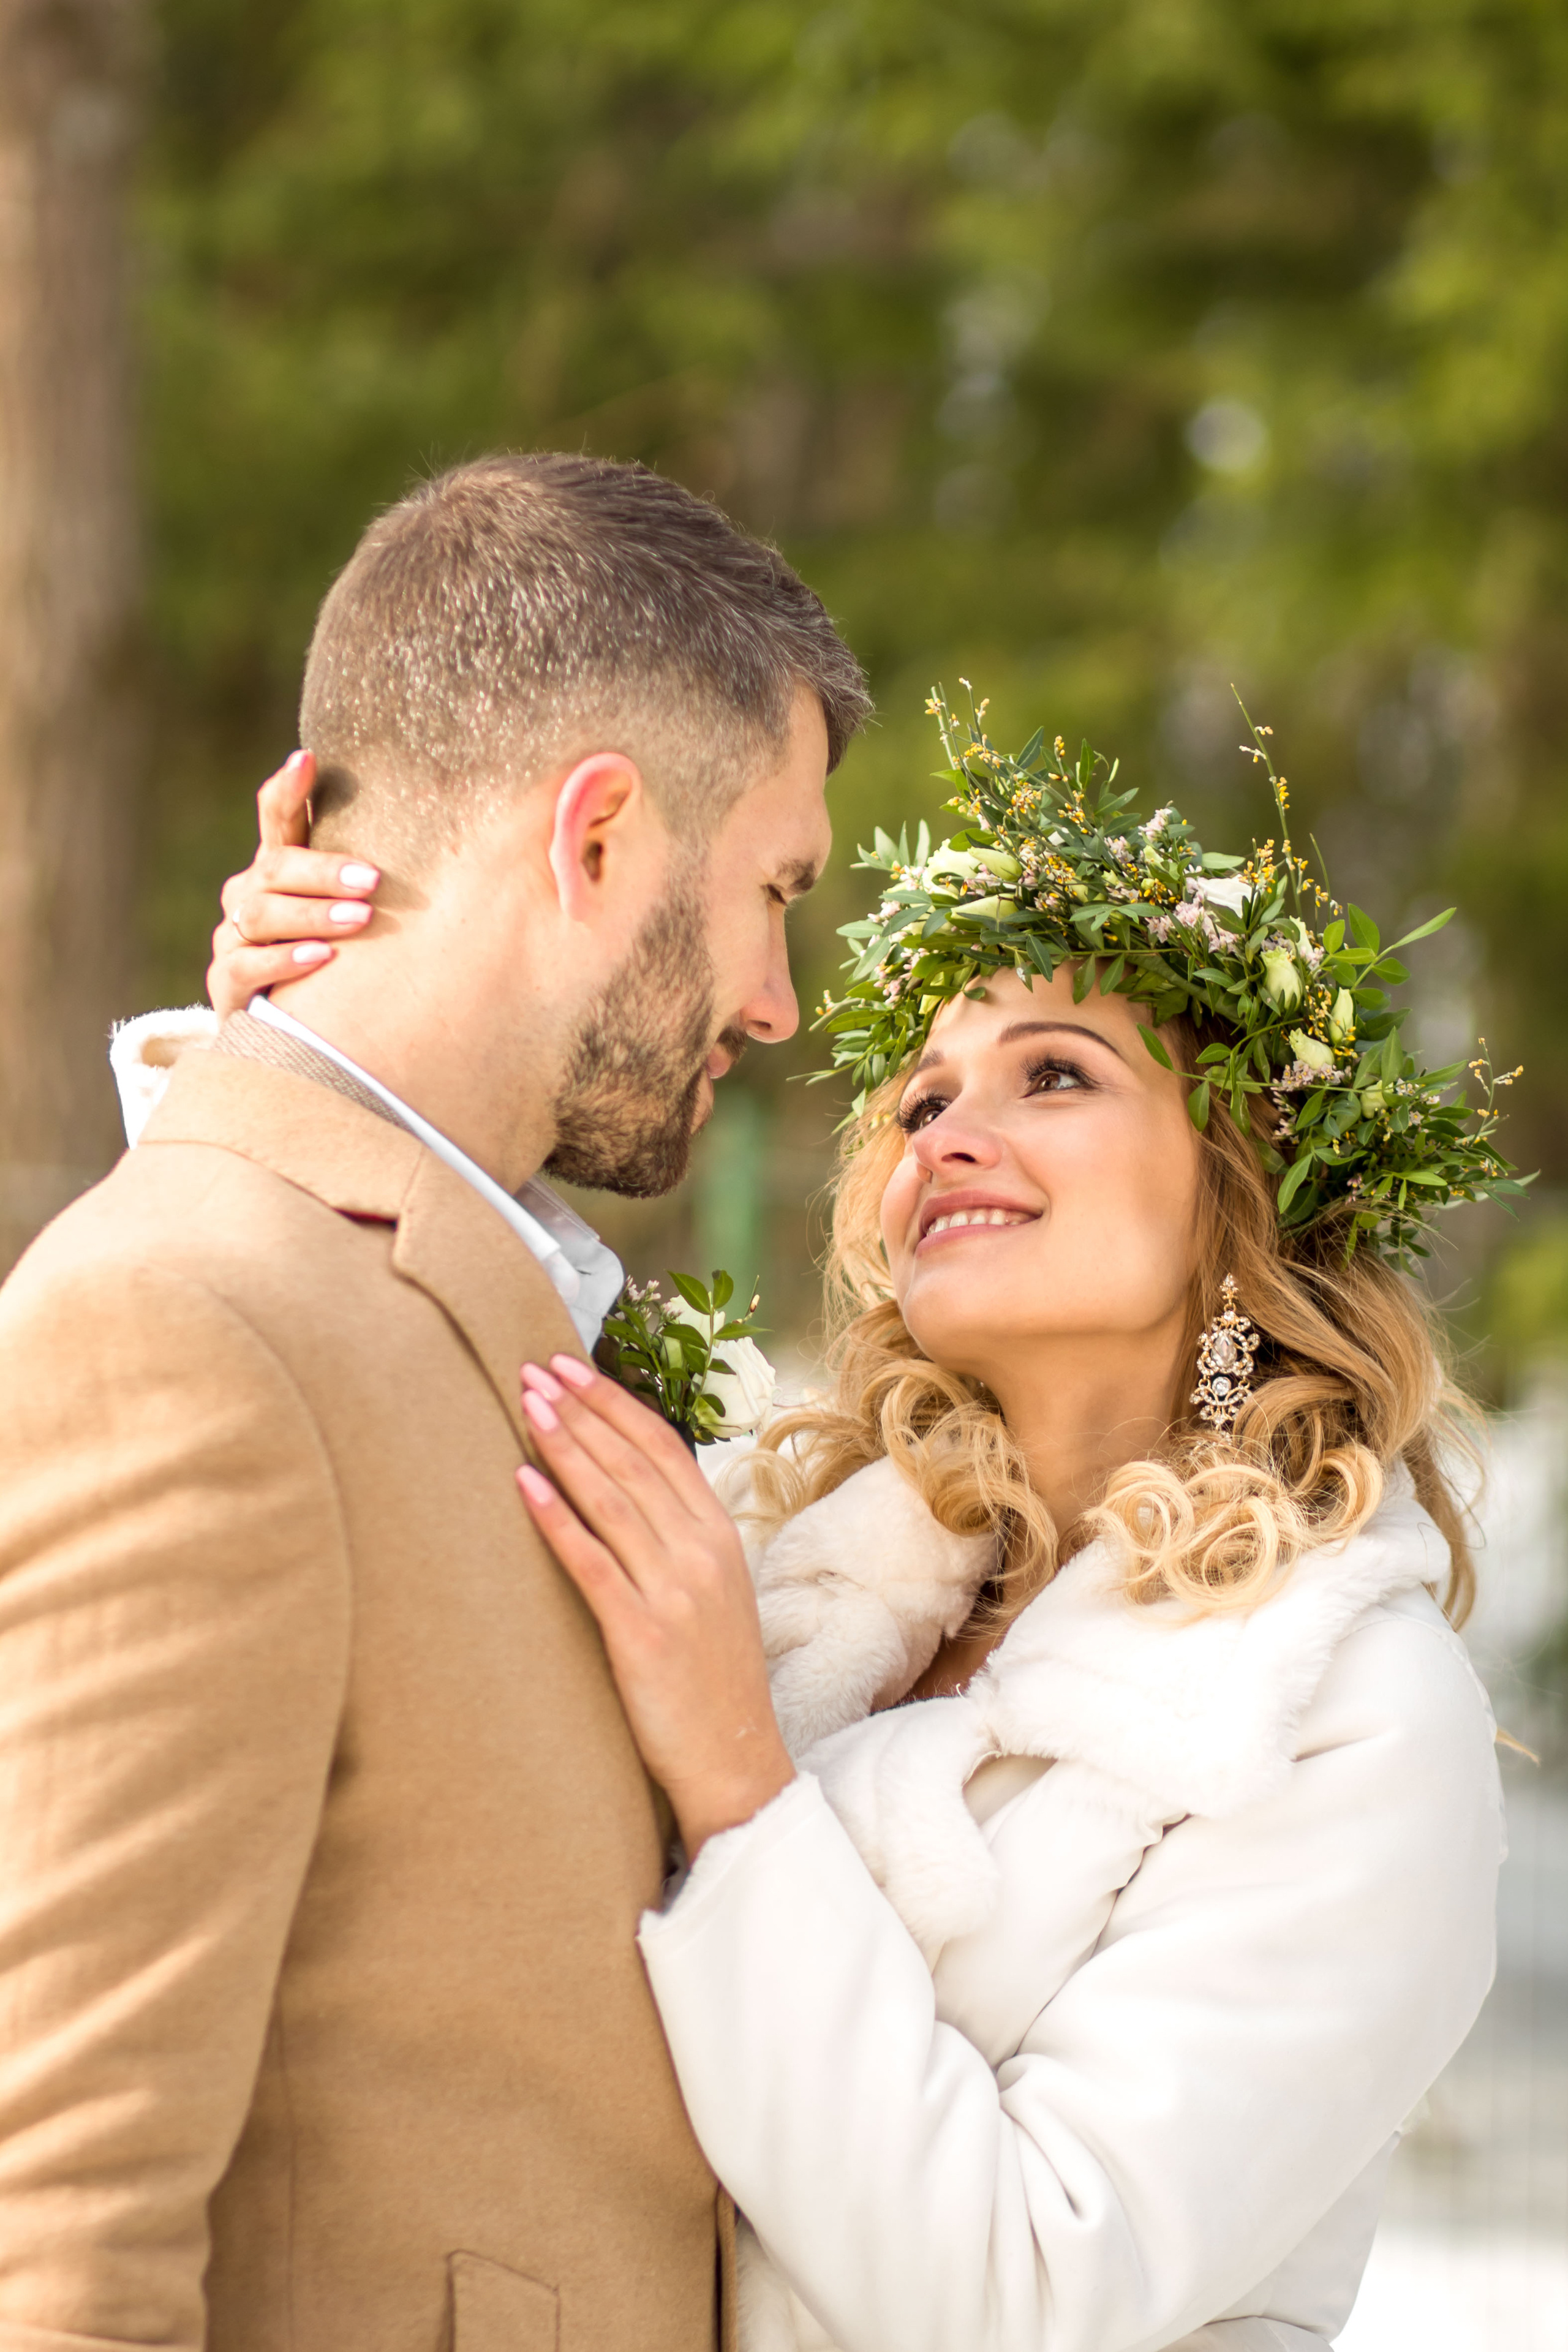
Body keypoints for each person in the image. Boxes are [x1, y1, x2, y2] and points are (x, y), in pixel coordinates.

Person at [127, 705, 1507, 2350]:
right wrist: (312, 1052)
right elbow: (385, 1449)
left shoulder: (1350, 1710)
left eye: (1054, 1074)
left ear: (1240, 1187)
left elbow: (1025, 2286)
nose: (949, 1134)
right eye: (922, 1101)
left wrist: (738, 1778)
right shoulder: (777, 1551)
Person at [0, 450, 869, 2351]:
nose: (779, 998)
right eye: (773, 892)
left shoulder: (471, 1283)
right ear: (598, 838)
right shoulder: (185, 1329)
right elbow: (50, 2231)